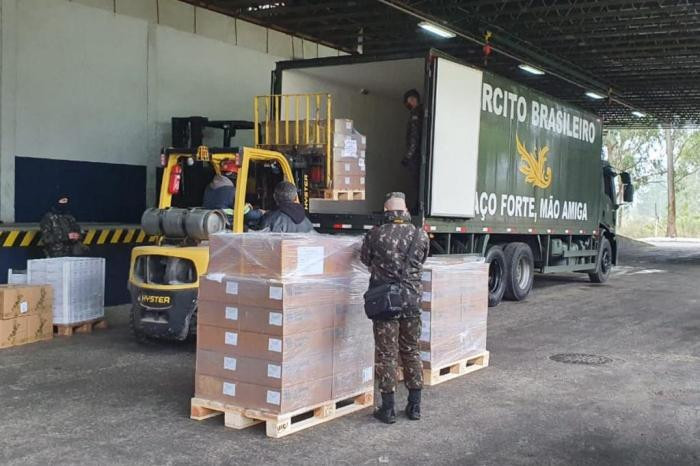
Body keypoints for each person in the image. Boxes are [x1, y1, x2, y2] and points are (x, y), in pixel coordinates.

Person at [360, 192, 429, 424]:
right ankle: (415, 406)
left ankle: (388, 409)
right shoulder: (420, 235)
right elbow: (422, 261)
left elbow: (365, 260)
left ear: (386, 211)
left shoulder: (376, 234)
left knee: (387, 354)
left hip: (386, 302)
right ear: (406, 210)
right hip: (411, 302)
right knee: (411, 351)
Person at [401, 89, 424, 211]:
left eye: (408, 101)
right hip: (419, 155)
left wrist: (407, 156)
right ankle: (417, 206)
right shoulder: (421, 112)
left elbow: (414, 137)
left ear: (413, 99)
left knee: (417, 183)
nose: (407, 104)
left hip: (415, 156)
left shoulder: (416, 113)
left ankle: (417, 207)